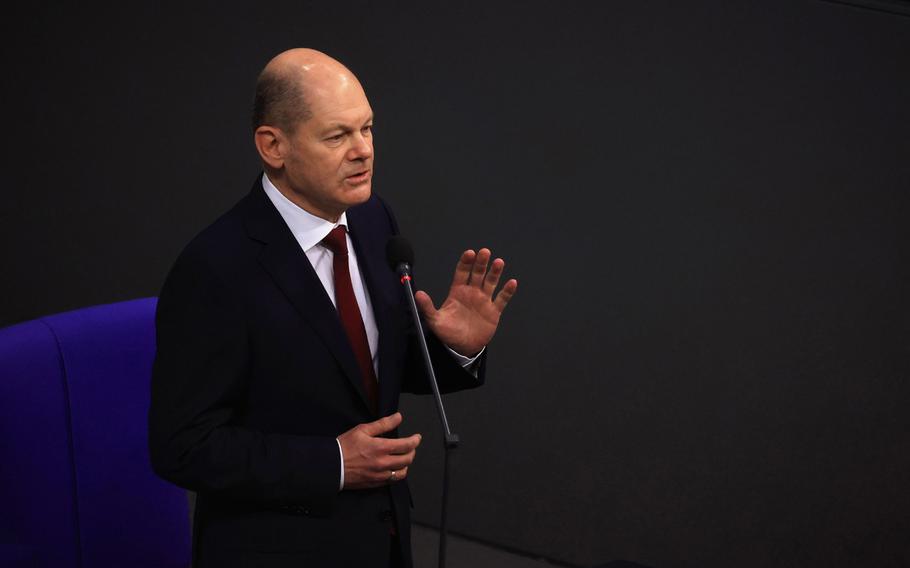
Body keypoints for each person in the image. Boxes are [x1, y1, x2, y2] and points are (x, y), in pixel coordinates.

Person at [148, 48, 517, 568]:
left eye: (367, 129)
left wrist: (454, 348)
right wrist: (334, 463)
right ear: (273, 146)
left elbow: (361, 371)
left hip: (383, 537)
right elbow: (182, 446)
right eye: (337, 136)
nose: (364, 151)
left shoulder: (372, 222)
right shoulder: (216, 268)